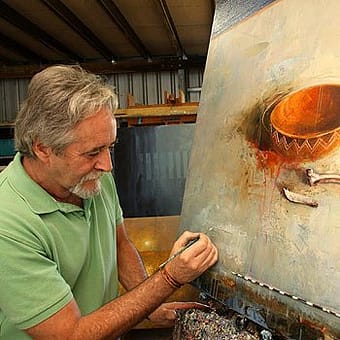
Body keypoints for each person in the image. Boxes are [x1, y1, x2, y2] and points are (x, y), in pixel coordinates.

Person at [0, 65, 218, 339]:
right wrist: (168, 278)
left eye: (109, 147)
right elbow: (71, 335)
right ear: (42, 148)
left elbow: (119, 243)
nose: (107, 164)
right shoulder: (7, 222)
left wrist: (151, 305)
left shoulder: (93, 179)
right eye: (93, 152)